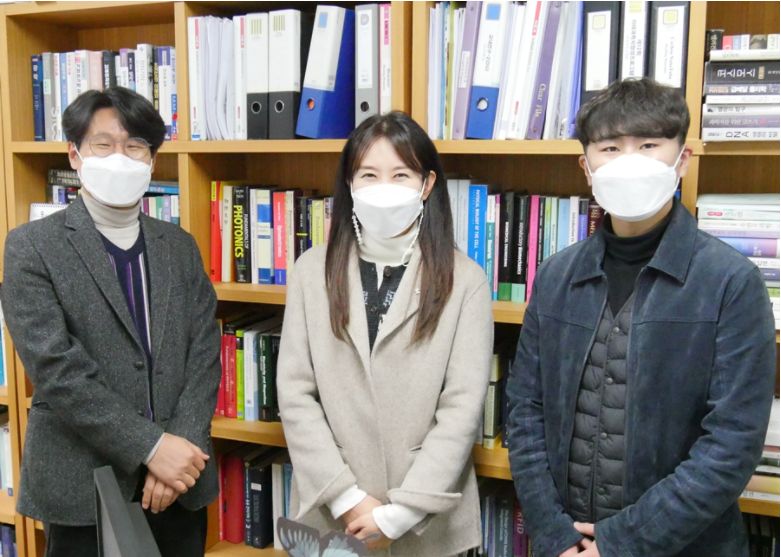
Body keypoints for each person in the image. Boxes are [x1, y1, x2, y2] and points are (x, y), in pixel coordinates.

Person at [506, 77, 777, 557]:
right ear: (586, 167)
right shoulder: (555, 276)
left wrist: (618, 544)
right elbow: (525, 411)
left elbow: (732, 443)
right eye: (610, 148)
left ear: (682, 160)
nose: (628, 161)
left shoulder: (731, 282)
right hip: (565, 543)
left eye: (649, 145)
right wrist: (552, 533)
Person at [1, 87, 221, 557]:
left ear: (152, 160)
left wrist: (178, 450)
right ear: (75, 155)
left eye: (135, 146)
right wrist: (152, 448)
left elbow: (204, 352)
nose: (119, 157)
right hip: (82, 483)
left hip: (180, 483)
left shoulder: (179, 245)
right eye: (103, 144)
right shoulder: (31, 247)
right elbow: (57, 371)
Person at [277, 111, 493, 556]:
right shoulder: (311, 271)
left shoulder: (465, 280)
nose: (384, 188)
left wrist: (398, 515)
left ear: (427, 184)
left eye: (400, 175)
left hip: (427, 522)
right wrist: (348, 499)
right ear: (350, 184)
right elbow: (295, 394)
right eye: (369, 175)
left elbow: (461, 408)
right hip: (332, 513)